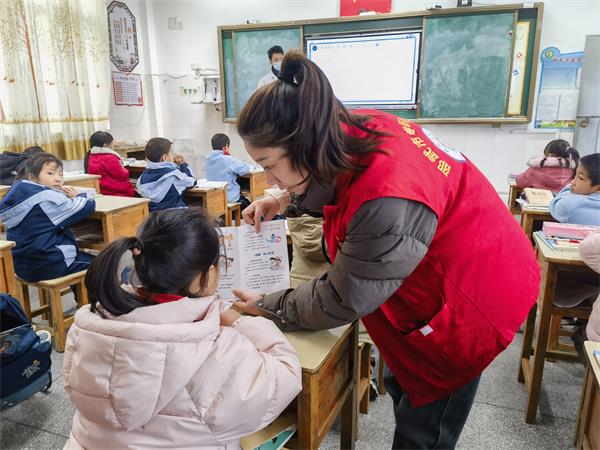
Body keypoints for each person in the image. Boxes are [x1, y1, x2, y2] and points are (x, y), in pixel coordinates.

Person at [231, 51, 540, 449]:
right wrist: (282, 197)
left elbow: (342, 297)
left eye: (269, 165)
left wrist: (268, 306)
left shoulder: (387, 196)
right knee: (403, 377)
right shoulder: (350, 127)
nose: (268, 178)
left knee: (425, 427)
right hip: (450, 260)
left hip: (469, 299)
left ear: (306, 143)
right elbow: (331, 182)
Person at [62, 208, 301, 449]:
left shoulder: (90, 326)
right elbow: (286, 376)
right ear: (206, 276)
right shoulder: (220, 352)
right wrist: (239, 321)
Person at [0, 153, 95, 282]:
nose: (58, 179)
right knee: (101, 263)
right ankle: (88, 295)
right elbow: (85, 206)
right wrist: (79, 196)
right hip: (49, 264)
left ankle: (79, 293)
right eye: (50, 173)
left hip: (23, 266)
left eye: (60, 174)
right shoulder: (46, 198)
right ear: (32, 177)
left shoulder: (18, 192)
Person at [136, 137, 197, 210]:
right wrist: (183, 164)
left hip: (154, 216)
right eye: (171, 153)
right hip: (175, 214)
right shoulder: (173, 175)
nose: (173, 156)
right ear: (164, 157)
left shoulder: (141, 179)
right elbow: (192, 181)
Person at [549, 153, 600, 225]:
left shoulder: (573, 204)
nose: (573, 181)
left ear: (598, 187)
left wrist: (570, 189)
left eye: (580, 178)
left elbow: (555, 204)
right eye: (576, 174)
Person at [205, 133, 252, 210]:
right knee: (248, 205)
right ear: (226, 146)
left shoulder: (207, 159)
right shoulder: (228, 159)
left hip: (215, 198)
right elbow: (245, 169)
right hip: (230, 197)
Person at [515, 139, 580, 191]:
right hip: (561, 202)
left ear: (549, 154)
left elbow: (520, 183)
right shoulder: (574, 170)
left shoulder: (536, 168)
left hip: (537, 200)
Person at [85, 131, 135, 197]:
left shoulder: (91, 156)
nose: (113, 145)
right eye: (112, 143)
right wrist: (122, 167)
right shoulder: (110, 157)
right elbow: (122, 176)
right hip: (114, 191)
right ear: (105, 145)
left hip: (101, 190)